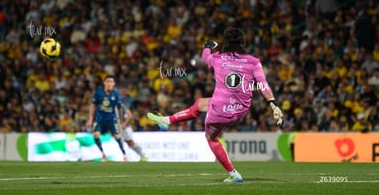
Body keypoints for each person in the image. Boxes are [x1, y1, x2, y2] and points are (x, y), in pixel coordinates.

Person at [150, 27, 284, 183]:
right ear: (243, 43)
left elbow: (205, 58)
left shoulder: (218, 58)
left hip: (221, 108)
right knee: (200, 104)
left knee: (211, 138)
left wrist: (207, 47)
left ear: (225, 42)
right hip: (241, 108)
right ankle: (166, 121)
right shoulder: (253, 61)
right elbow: (263, 84)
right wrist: (273, 105)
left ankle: (234, 173)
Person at [86, 75, 128, 162]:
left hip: (111, 119)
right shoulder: (98, 93)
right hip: (99, 119)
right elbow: (93, 105)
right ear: (104, 83)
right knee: (96, 135)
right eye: (107, 81)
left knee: (117, 136)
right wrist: (90, 119)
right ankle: (103, 154)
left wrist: (121, 122)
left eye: (111, 82)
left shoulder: (115, 95)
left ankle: (124, 155)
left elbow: (119, 108)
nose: (109, 83)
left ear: (114, 84)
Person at [118, 87, 148, 161]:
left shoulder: (121, 105)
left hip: (125, 128)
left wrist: (124, 124)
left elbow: (129, 115)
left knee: (130, 142)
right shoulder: (111, 106)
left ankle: (143, 155)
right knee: (120, 142)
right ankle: (124, 157)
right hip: (117, 127)